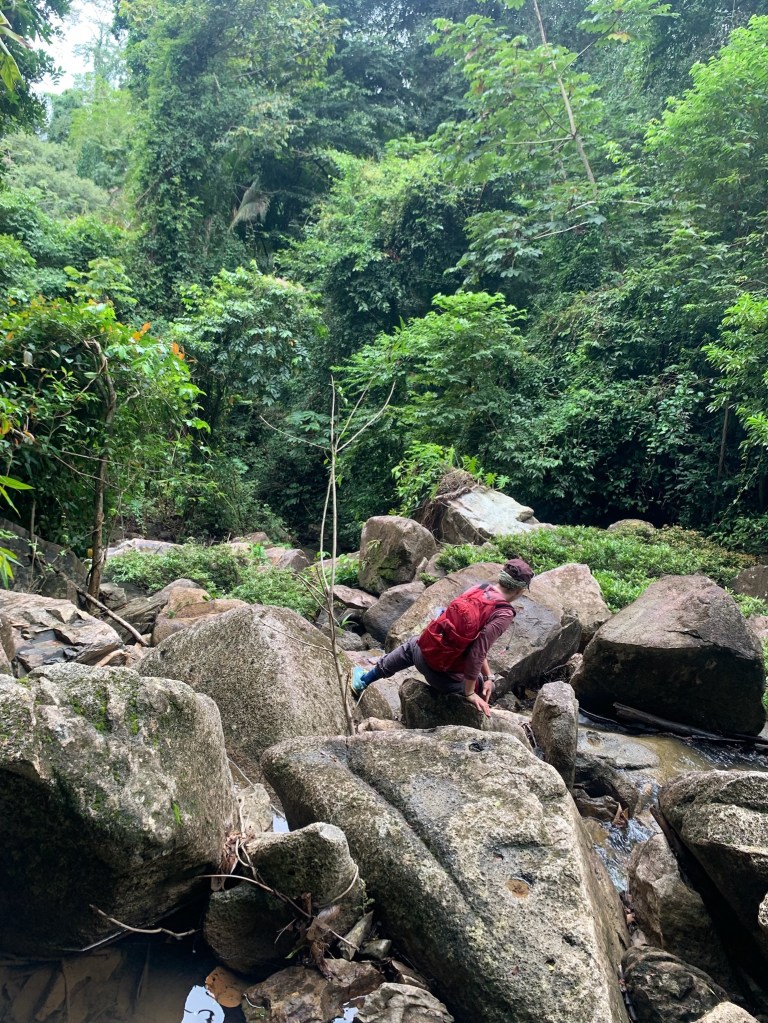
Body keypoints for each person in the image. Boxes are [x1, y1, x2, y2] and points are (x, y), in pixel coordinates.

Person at [352, 557, 534, 717]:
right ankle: (461, 715)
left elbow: (472, 643)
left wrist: (489, 676)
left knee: (412, 644)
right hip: (443, 679)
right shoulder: (503, 613)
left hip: (421, 655)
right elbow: (478, 652)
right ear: (520, 591)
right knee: (485, 687)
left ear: (501, 577)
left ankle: (364, 681)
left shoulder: (478, 589)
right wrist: (471, 692)